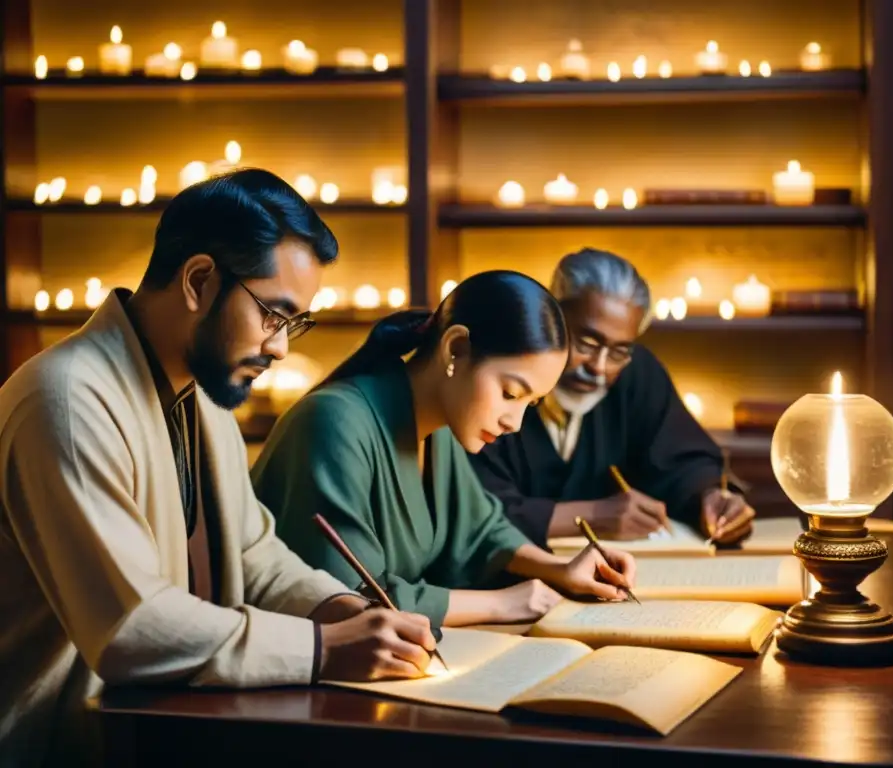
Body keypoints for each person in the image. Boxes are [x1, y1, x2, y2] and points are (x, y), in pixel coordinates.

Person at [0, 169, 436, 768]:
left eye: (293, 324)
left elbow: (253, 555)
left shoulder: (201, 397)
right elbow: (133, 630)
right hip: (62, 742)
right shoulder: (67, 400)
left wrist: (340, 609)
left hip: (167, 726)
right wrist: (322, 648)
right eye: (273, 315)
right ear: (199, 281)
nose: (281, 348)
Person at [250, 270, 636, 630]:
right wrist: (503, 604)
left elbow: (482, 531)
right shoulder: (333, 423)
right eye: (510, 393)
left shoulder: (441, 432)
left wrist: (559, 568)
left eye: (530, 404)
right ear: (456, 348)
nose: (514, 423)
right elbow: (345, 600)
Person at [469, 248, 757, 547]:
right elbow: (469, 512)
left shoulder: (637, 373)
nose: (599, 367)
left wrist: (711, 497)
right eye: (587, 342)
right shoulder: (501, 372)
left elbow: (680, 461)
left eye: (619, 351)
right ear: (550, 315)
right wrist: (591, 515)